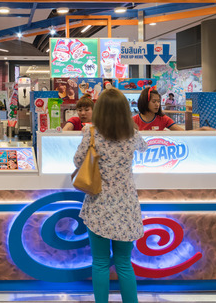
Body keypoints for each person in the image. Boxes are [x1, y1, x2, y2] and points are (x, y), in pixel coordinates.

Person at [72, 88, 147, 303]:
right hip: (126, 204)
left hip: (99, 204)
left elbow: (77, 161)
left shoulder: (91, 132)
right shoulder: (132, 133)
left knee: (101, 262)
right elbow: (144, 147)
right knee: (124, 263)